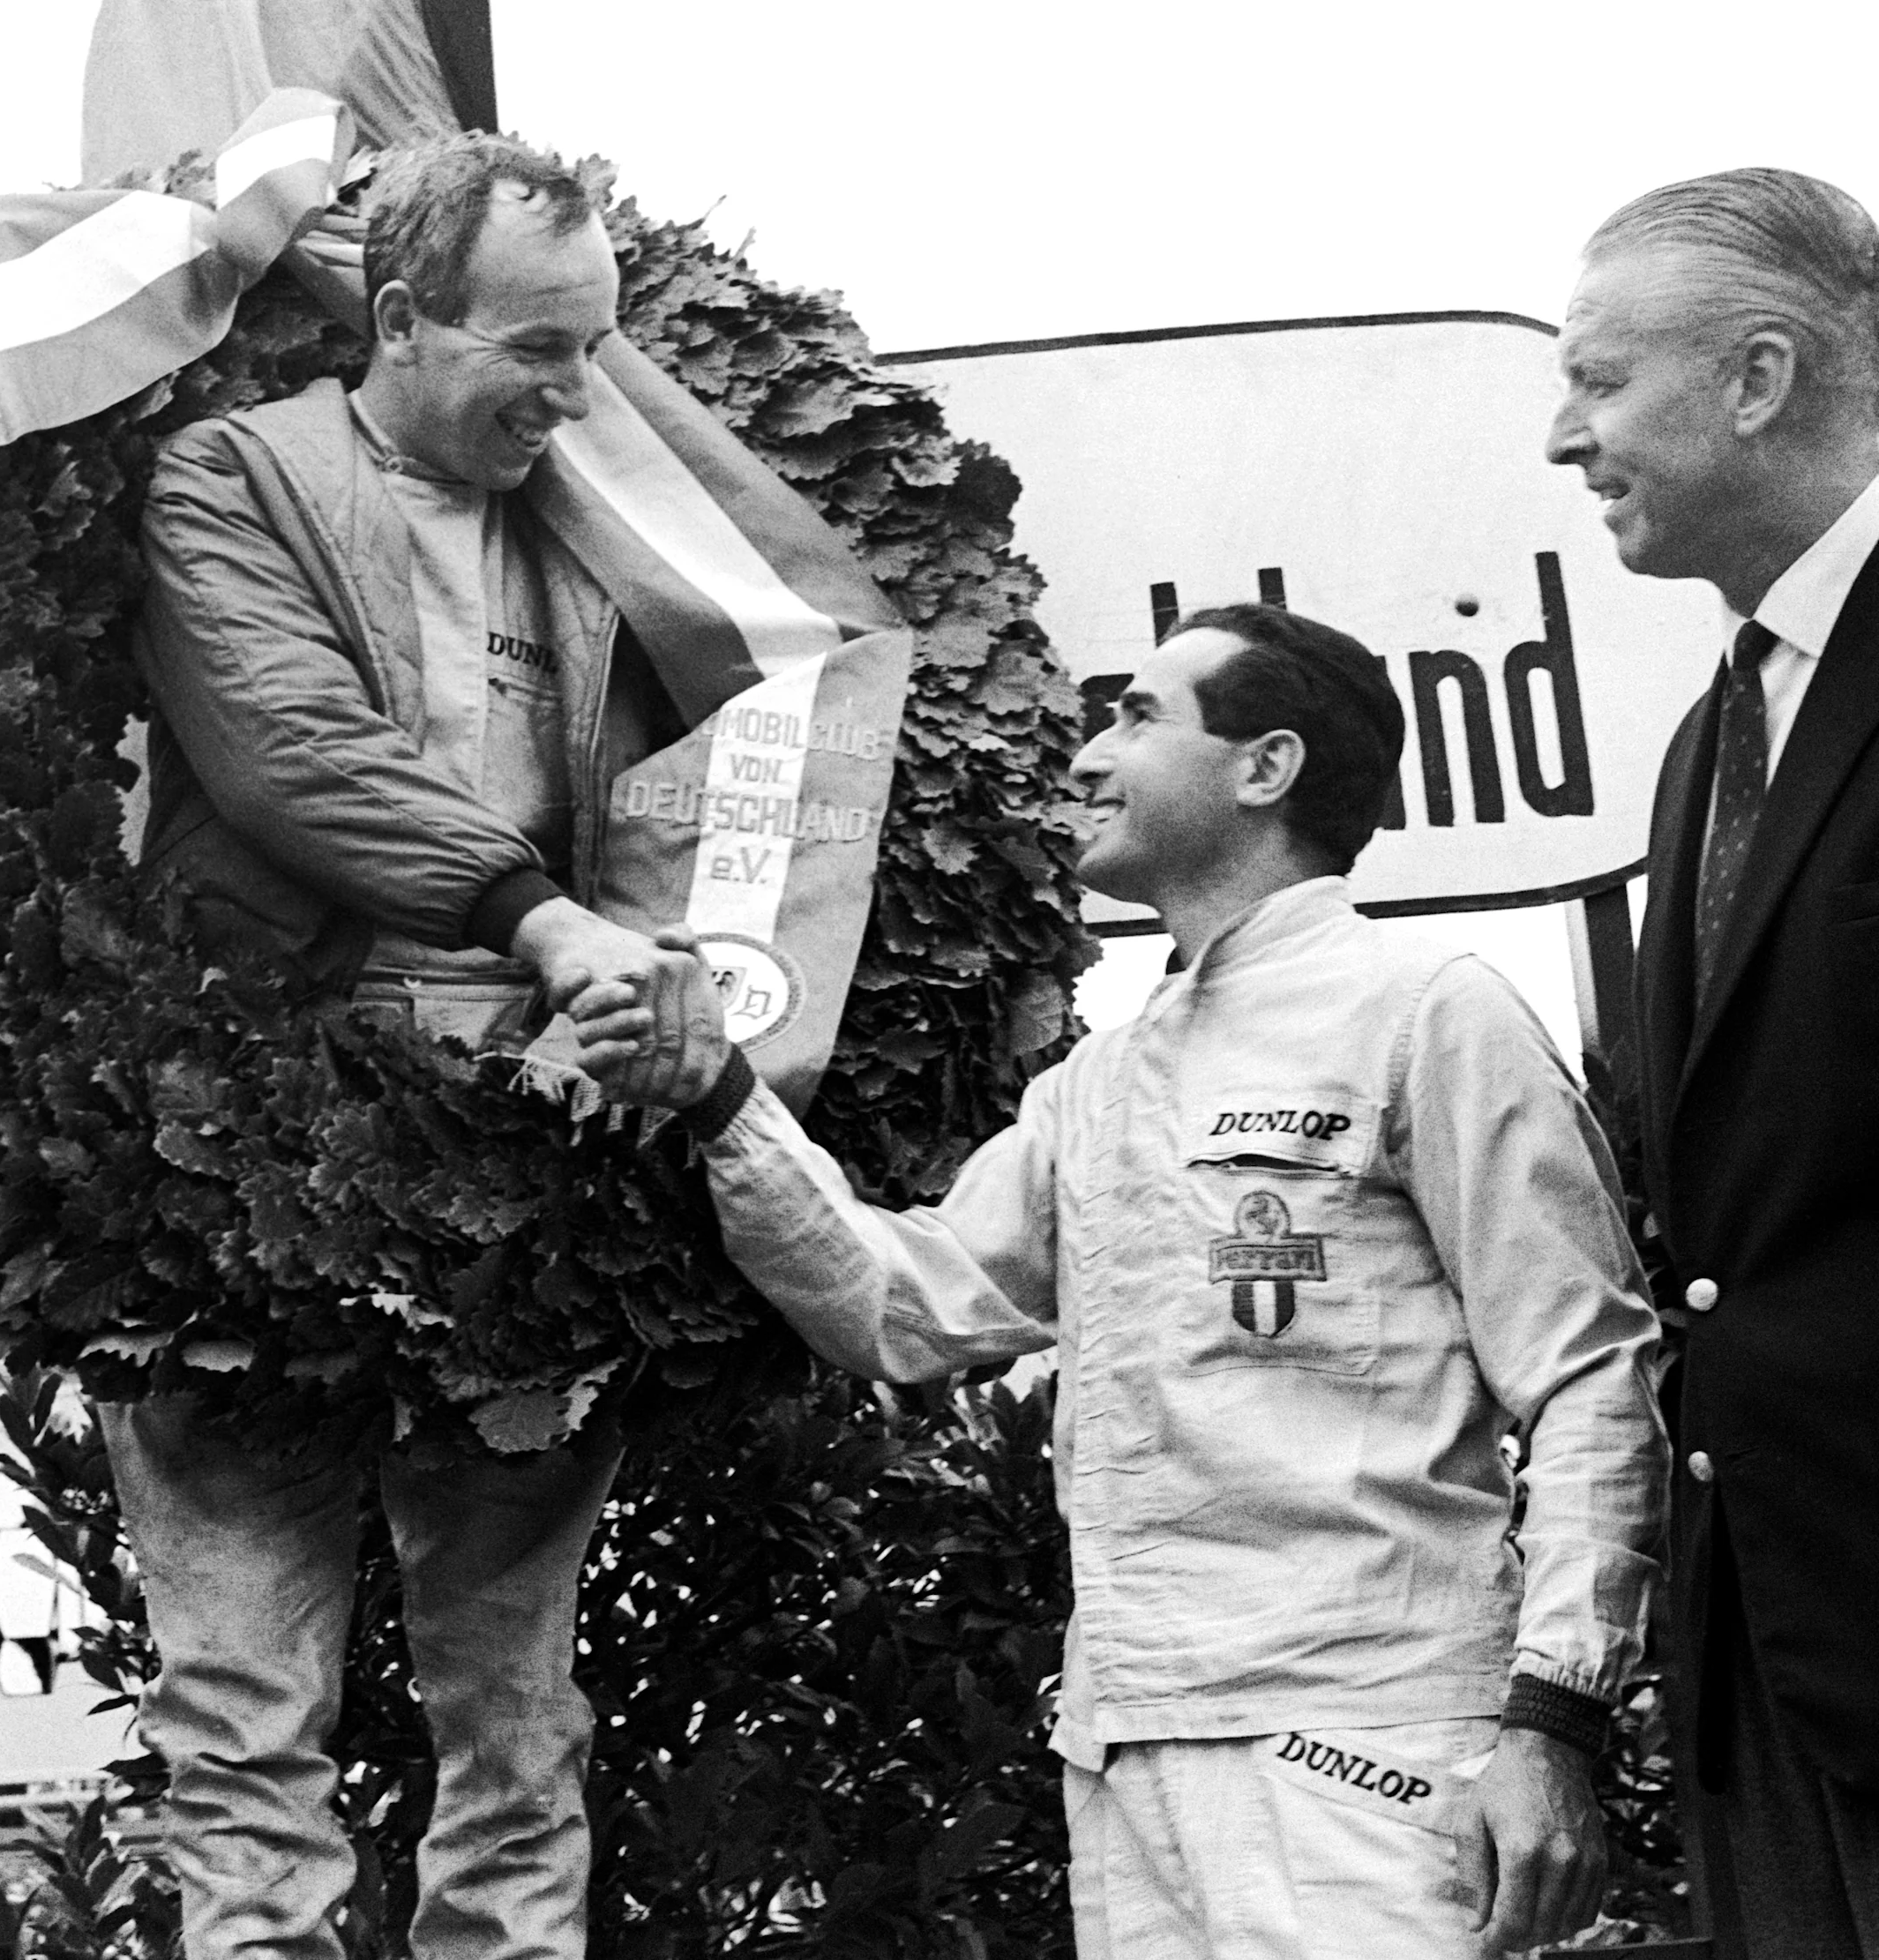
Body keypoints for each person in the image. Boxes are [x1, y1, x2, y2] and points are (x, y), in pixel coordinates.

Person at [578, 606, 1666, 1957]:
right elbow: (906, 1307)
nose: (1089, 757)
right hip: (1129, 1749)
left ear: (1264, 767)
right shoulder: (1097, 1080)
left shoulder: (1430, 1006)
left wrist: (1555, 1718)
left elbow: (1591, 1379)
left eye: (1138, 716)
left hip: (1366, 1739)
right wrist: (721, 1097)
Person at [115, 130, 713, 1959]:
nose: (574, 388)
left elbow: (701, 800)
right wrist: (539, 917)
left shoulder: (619, 522)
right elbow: (287, 747)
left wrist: (660, 985)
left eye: (596, 345)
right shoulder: (236, 473)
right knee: (241, 1717)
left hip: (545, 1142)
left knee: (519, 1722)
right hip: (255, 1139)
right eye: (536, 347)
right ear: (397, 316)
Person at [1546, 166, 1879, 1956]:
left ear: (1755, 379)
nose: (1559, 432)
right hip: (1766, 1659)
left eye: (1597, 378)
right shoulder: (1705, 739)